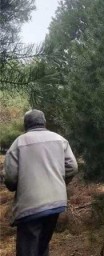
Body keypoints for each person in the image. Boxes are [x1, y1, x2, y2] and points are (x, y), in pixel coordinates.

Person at [3, 109, 78, 256]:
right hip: (56, 203)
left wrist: (18, 186)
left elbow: (10, 178)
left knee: (28, 250)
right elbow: (72, 167)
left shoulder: (18, 143)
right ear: (44, 122)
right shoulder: (60, 140)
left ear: (26, 124)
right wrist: (58, 182)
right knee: (42, 246)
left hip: (30, 205)